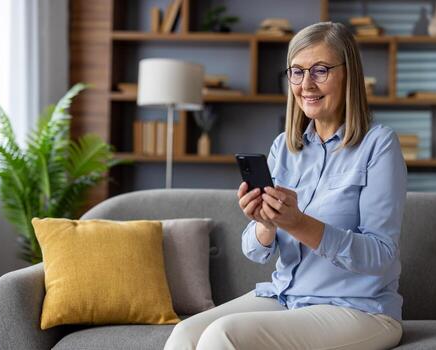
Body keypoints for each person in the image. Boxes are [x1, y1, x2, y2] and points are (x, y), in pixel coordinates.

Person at [164, 21, 406, 350]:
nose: (306, 84)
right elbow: (255, 249)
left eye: (320, 70)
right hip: (287, 297)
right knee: (185, 334)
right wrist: (265, 223)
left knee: (224, 335)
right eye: (297, 71)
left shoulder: (379, 145)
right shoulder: (286, 147)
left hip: (357, 309)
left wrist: (299, 223)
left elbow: (381, 255)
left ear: (348, 74)